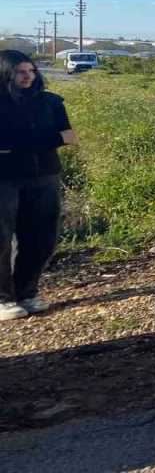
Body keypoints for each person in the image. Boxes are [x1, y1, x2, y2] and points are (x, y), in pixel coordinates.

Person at [0, 51, 75, 321]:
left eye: (31, 71)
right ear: (7, 73)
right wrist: (48, 138)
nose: (28, 77)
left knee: (41, 239)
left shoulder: (51, 102)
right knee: (2, 241)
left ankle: (26, 292)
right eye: (21, 72)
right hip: (4, 179)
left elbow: (69, 136)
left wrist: (14, 143)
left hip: (44, 176)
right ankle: (3, 299)